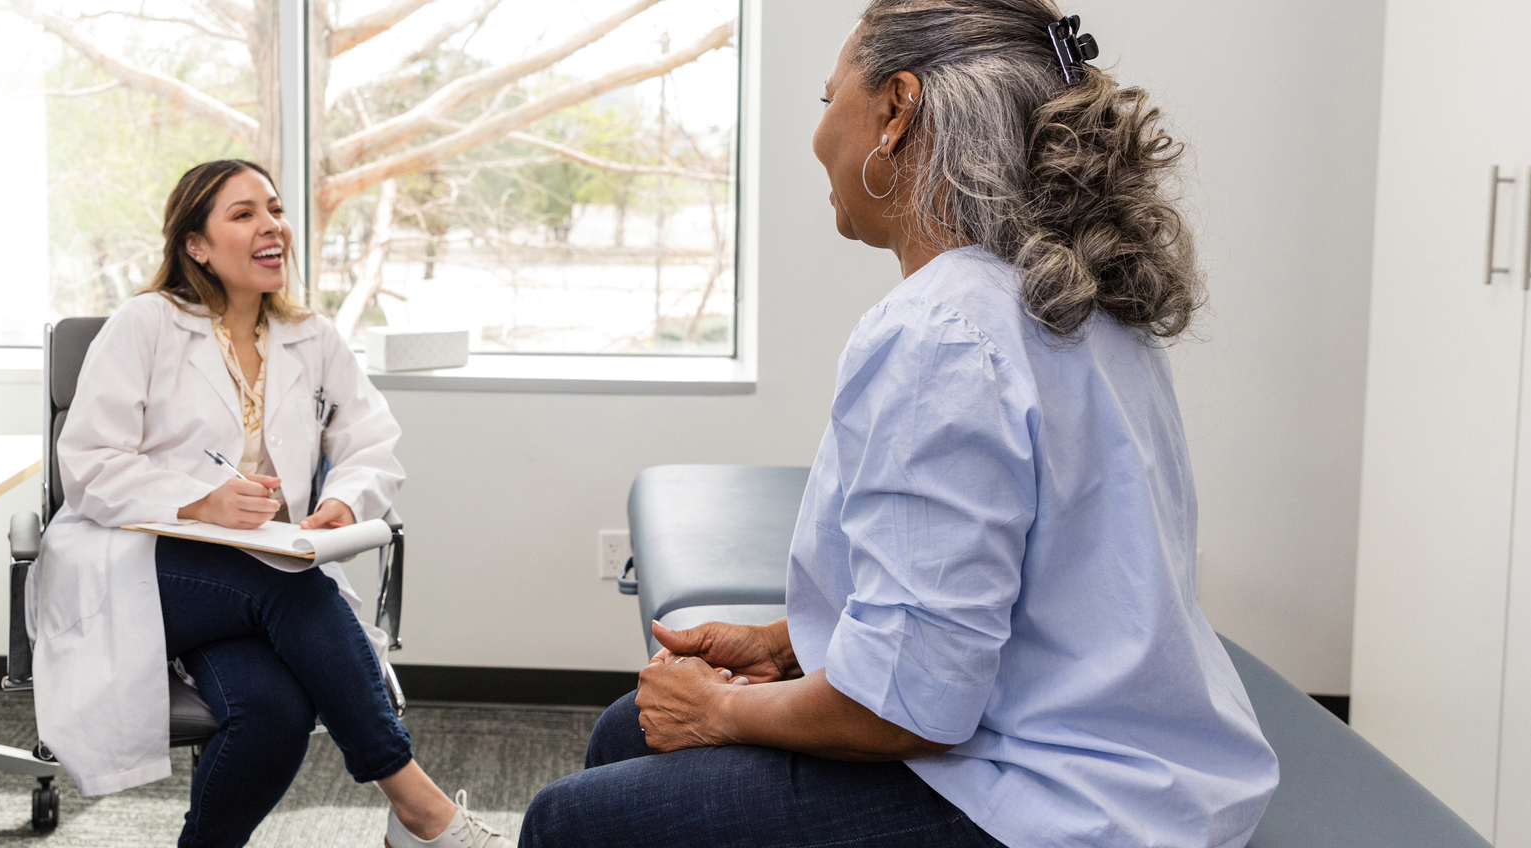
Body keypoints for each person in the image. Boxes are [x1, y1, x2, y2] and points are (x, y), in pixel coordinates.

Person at [520, 3, 1278, 847]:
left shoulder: (944, 327)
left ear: (896, 110)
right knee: (629, 730)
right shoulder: (1079, 300)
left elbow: (909, 708)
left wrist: (725, 709)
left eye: (825, 98)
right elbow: (1003, 591)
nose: (815, 138)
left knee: (568, 825)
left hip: (1062, 809)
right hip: (1140, 768)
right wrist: (785, 645)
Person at [32, 159, 514, 848]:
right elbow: (87, 464)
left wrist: (344, 504)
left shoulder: (309, 336)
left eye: (275, 209)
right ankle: (420, 811)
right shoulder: (146, 324)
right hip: (137, 565)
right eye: (243, 214)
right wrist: (200, 501)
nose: (272, 227)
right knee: (287, 583)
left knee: (273, 711)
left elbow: (370, 442)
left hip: (249, 573)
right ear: (195, 245)